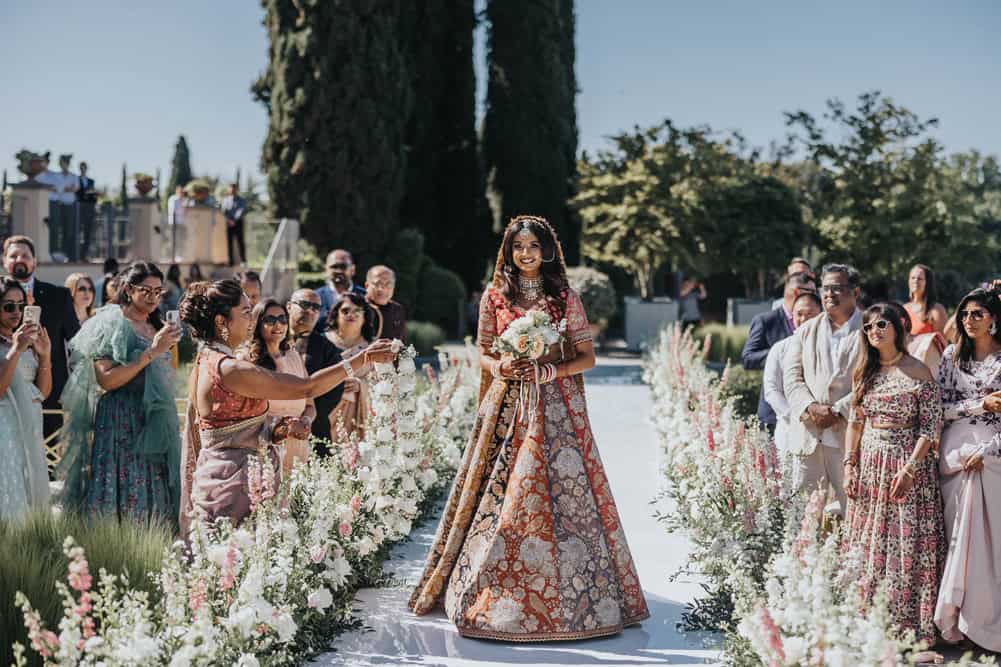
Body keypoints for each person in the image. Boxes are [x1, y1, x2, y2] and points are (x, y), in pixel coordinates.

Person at [410, 215, 649, 641]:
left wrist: (550, 371)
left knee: (559, 496)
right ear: (508, 251)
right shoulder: (494, 297)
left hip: (556, 411)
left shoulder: (564, 298)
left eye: (533, 247)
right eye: (518, 247)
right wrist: (501, 364)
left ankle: (571, 597)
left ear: (548, 250)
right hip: (505, 408)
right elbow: (483, 351)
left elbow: (587, 358)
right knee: (503, 493)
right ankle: (492, 586)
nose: (526, 255)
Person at [178, 279, 393, 534]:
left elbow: (233, 425)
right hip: (234, 488)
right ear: (221, 322)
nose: (251, 319)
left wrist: (278, 429)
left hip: (227, 478)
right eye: (246, 312)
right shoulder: (231, 368)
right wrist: (361, 359)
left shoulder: (206, 359)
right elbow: (306, 388)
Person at [842, 303, 944, 648]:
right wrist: (849, 466)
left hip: (907, 468)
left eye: (881, 324)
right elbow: (855, 424)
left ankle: (908, 627)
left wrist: (910, 469)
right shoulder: (863, 373)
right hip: (870, 467)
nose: (874, 331)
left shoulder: (918, 371)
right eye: (868, 327)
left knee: (905, 544)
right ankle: (870, 619)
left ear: (898, 327)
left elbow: (930, 427)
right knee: (869, 546)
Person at [58, 262, 183, 524]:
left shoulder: (156, 325)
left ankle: (150, 553)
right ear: (127, 288)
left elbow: (166, 374)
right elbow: (107, 379)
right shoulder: (110, 322)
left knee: (155, 488)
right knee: (122, 487)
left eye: (158, 291)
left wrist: (166, 349)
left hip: (153, 419)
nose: (152, 297)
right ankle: (112, 551)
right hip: (120, 418)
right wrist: (152, 352)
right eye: (145, 291)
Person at [934, 288, 1001, 651]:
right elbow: (940, 407)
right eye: (964, 314)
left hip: (993, 457)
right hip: (954, 456)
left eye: (977, 314)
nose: (969, 320)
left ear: (994, 318)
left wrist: (990, 451)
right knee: (957, 538)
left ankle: (986, 625)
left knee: (990, 547)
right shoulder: (950, 356)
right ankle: (955, 620)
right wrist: (981, 405)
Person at [784, 263, 864, 513]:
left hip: (849, 439)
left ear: (855, 292)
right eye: (825, 288)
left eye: (837, 288)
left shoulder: (871, 329)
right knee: (804, 520)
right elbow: (792, 377)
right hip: (809, 436)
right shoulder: (806, 330)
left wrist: (838, 410)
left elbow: (873, 380)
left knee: (855, 516)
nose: (829, 294)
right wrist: (810, 407)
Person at [2, 235, 80, 441]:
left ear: (35, 261)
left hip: (48, 392)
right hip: (5, 393)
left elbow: (76, 342)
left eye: (25, 255)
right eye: (13, 255)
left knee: (48, 462)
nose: (19, 259)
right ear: (4, 261)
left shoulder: (58, 295)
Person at [240, 299, 315, 475]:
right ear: (258, 323)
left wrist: (305, 422)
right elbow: (245, 412)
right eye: (270, 320)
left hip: (297, 446)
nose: (278, 325)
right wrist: (282, 426)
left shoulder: (293, 355)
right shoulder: (246, 359)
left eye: (282, 319)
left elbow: (310, 404)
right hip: (265, 446)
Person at [0, 278, 52, 520]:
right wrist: (16, 350)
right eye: (8, 306)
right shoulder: (16, 344)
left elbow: (41, 393)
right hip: (6, 429)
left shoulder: (21, 340)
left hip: (30, 428)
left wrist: (44, 356)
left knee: (32, 488)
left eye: (21, 306)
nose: (17, 312)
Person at [743, 272, 816, 432]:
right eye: (812, 292)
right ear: (797, 292)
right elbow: (748, 358)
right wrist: (779, 355)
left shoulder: (817, 323)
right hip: (774, 414)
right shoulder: (766, 321)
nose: (816, 297)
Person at [762, 291, 822, 455]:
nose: (803, 319)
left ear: (821, 315)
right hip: (790, 429)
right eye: (799, 314)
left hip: (826, 429)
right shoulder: (780, 348)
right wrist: (797, 415)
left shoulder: (831, 346)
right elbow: (771, 389)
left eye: (810, 314)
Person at [288, 288, 344, 451]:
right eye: (305, 304)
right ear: (289, 306)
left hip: (313, 427)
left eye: (316, 308)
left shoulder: (327, 348)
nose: (311, 311)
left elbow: (335, 388)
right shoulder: (271, 338)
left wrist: (305, 414)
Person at [325, 292, 375, 440]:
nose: (351, 315)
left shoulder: (373, 348)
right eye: (345, 311)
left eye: (357, 311)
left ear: (365, 317)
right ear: (336, 315)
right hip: (325, 413)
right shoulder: (322, 343)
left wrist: (361, 385)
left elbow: (382, 385)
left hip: (357, 417)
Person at [36, 154, 79, 260]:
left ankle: (57, 253)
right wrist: (51, 188)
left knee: (56, 228)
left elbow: (60, 188)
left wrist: (51, 188)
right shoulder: (37, 176)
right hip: (42, 204)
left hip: (55, 203)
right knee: (43, 228)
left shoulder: (55, 175)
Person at [316, 249, 366, 322]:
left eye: (343, 266)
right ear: (326, 269)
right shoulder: (316, 297)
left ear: (353, 269)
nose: (339, 271)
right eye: (334, 266)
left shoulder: (365, 297)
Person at [365, 265, 406, 341]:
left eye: (388, 284)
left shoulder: (397, 309)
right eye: (377, 284)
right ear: (367, 286)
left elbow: (401, 341)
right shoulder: (358, 307)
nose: (382, 289)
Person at [222, 183, 247, 267]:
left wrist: (234, 220)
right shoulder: (225, 200)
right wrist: (229, 220)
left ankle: (243, 260)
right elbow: (224, 211)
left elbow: (241, 210)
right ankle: (230, 261)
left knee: (240, 242)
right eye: (231, 189)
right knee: (229, 243)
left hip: (238, 223)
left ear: (237, 190)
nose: (232, 190)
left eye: (234, 189)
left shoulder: (241, 200)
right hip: (228, 223)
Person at [77, 161, 97, 261]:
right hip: (79, 208)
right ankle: (76, 254)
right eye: (81, 167)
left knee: (87, 233)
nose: (83, 169)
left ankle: (84, 255)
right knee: (77, 232)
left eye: (84, 167)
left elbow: (93, 195)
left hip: (89, 209)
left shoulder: (91, 181)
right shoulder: (76, 179)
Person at [166, 185, 188, 261]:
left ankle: (179, 256)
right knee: (173, 240)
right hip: (174, 223)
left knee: (180, 240)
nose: (182, 193)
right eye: (181, 192)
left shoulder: (183, 200)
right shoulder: (173, 199)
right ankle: (171, 256)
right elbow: (175, 211)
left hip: (181, 223)